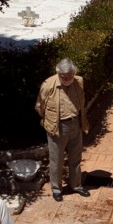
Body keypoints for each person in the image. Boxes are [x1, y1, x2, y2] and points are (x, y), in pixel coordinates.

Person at [35, 58, 91, 202]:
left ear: (74, 73)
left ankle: (76, 185)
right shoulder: (48, 85)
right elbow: (39, 106)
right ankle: (56, 189)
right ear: (58, 73)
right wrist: (51, 121)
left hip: (76, 123)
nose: (67, 79)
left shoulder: (79, 81)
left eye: (70, 76)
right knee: (57, 160)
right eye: (64, 77)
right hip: (58, 126)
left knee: (76, 158)